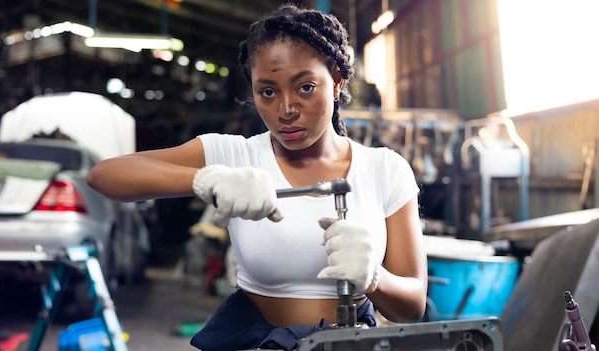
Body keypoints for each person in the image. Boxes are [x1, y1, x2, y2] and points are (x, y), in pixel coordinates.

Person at [87, 3, 427, 350]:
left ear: (337, 80)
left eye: (305, 87)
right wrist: (208, 181)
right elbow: (105, 175)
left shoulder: (384, 169)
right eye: (268, 92)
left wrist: (374, 278)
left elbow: (412, 306)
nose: (286, 109)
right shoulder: (236, 156)